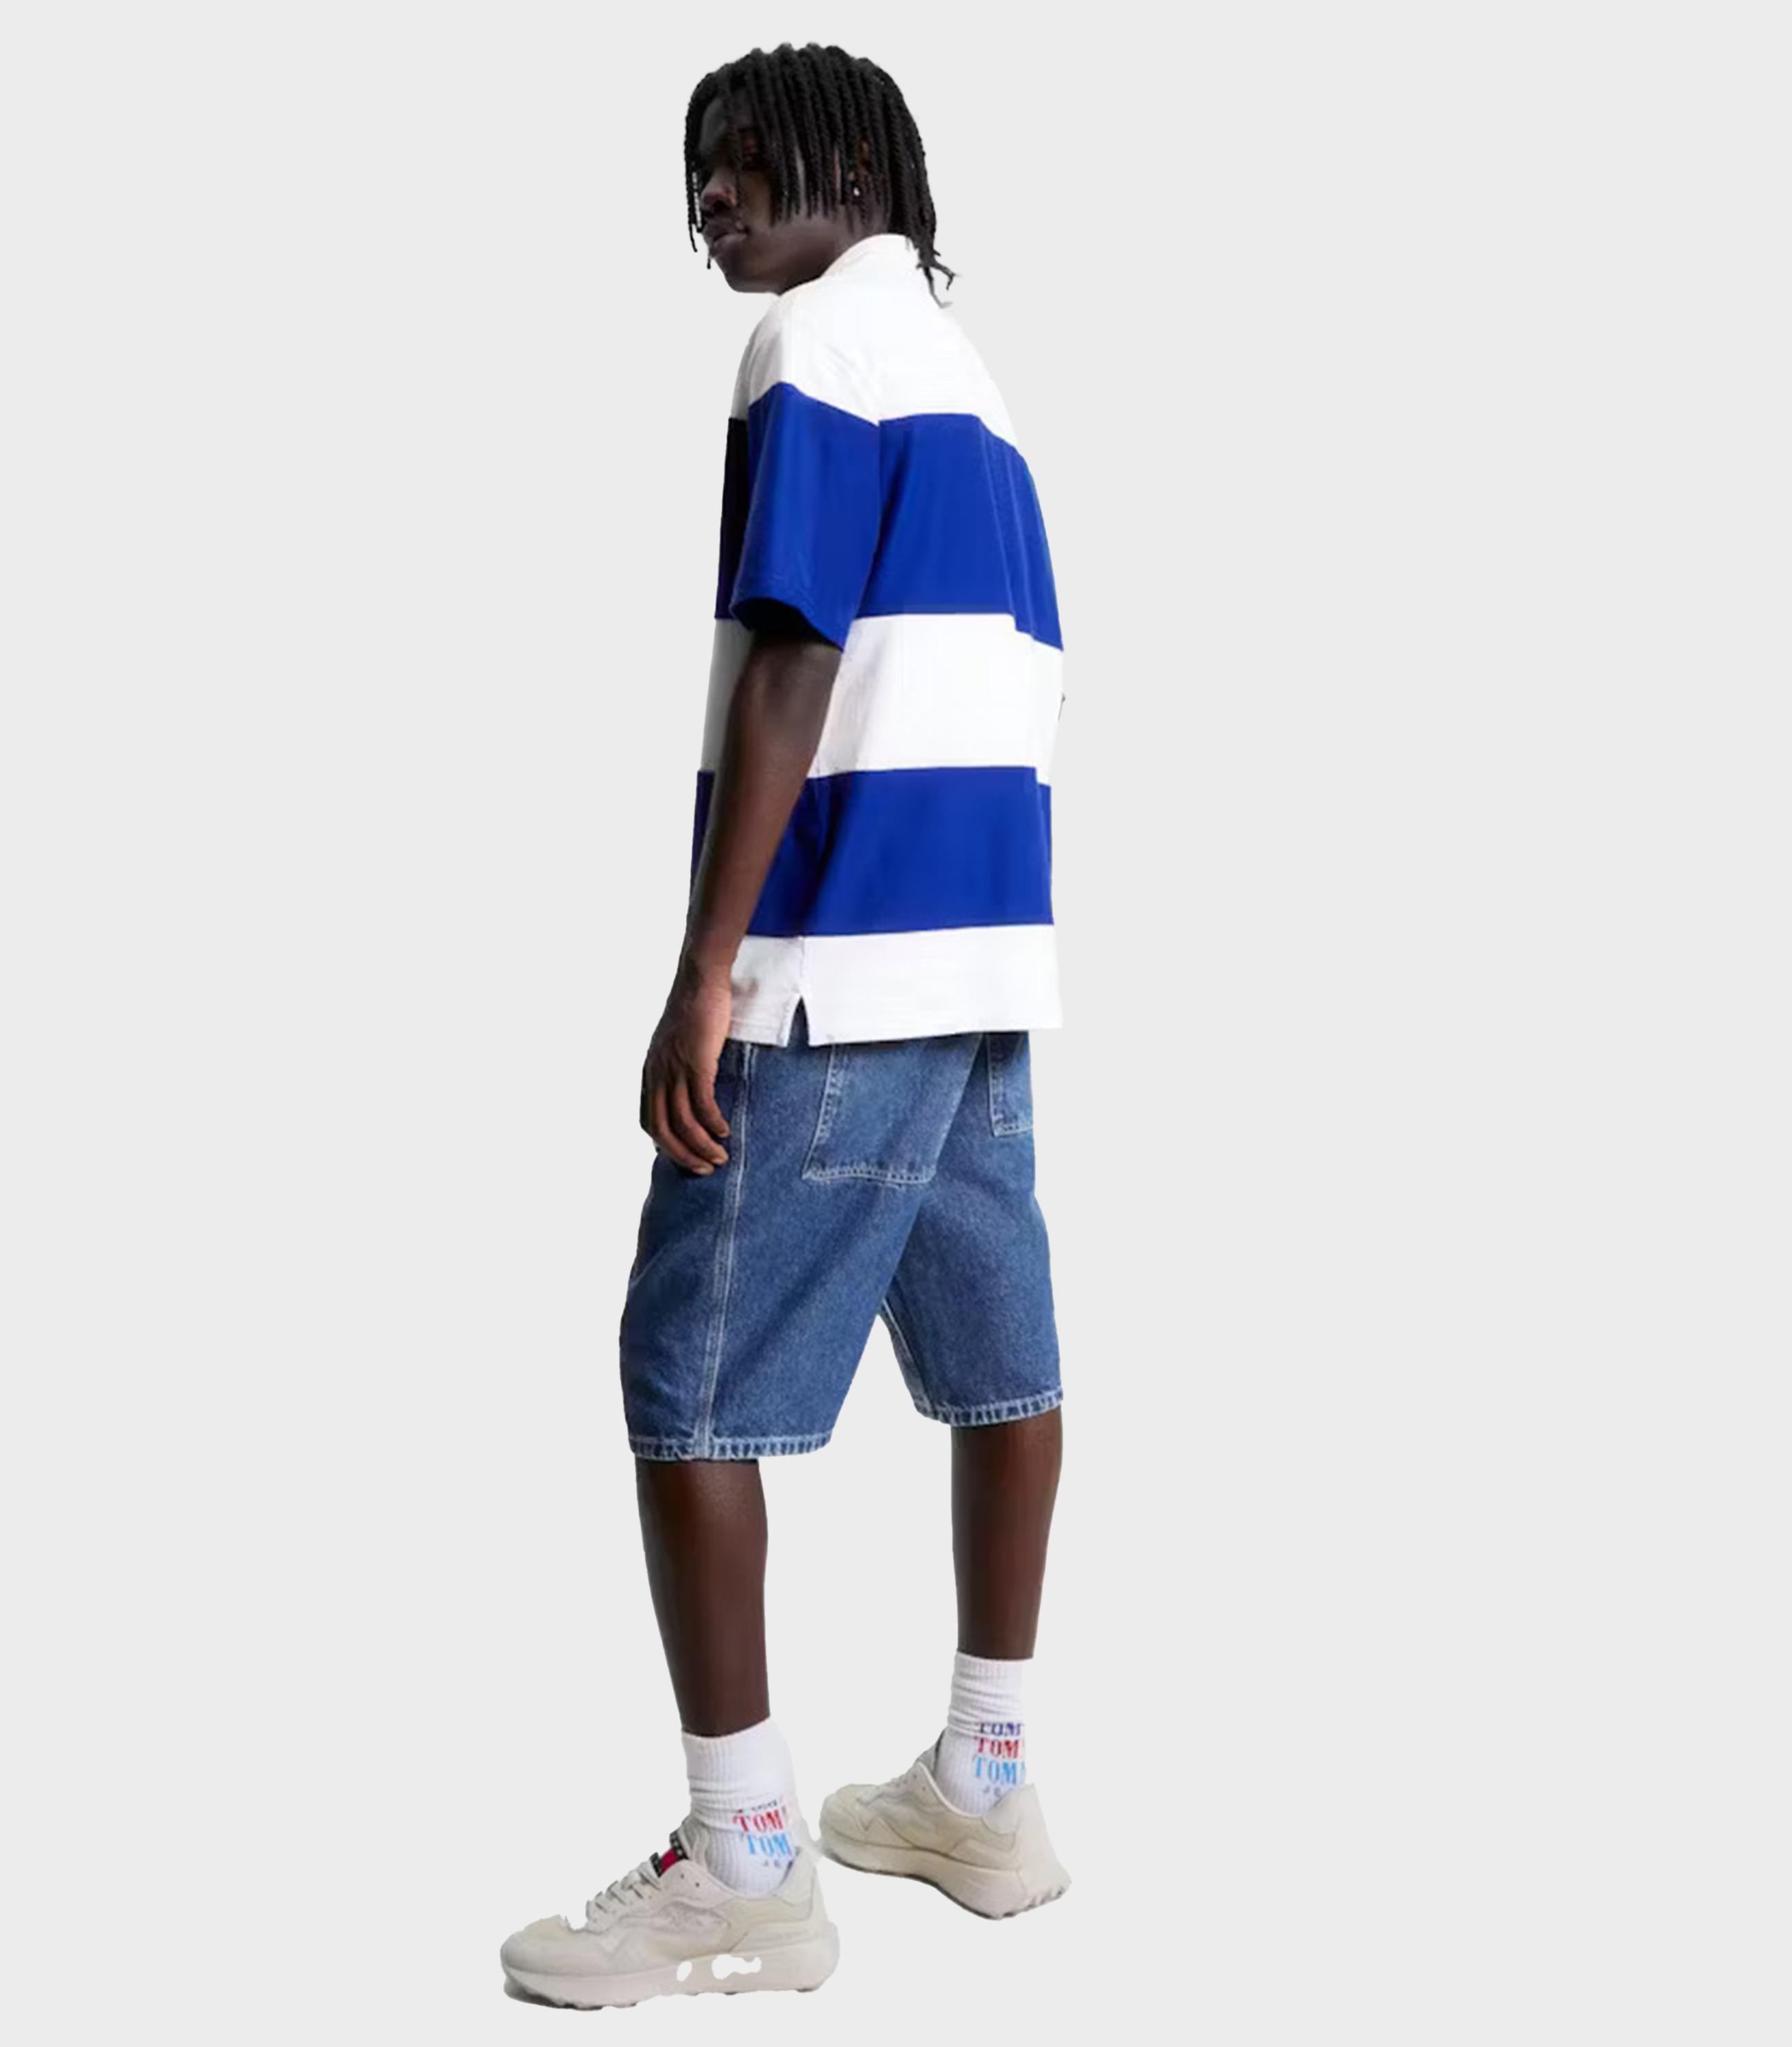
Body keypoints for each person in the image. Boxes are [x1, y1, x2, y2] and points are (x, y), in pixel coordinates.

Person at [500, 41, 1069, 2009]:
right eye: (699, 169)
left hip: (840, 963)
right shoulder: (976, 386)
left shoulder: (814, 345)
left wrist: (707, 969)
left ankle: (746, 1865)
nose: (713, 195)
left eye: (746, 157)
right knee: (1001, 1364)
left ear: (858, 168)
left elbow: (794, 662)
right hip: (983, 966)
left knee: (683, 1386)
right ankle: (985, 1787)